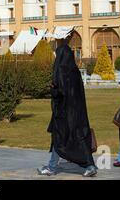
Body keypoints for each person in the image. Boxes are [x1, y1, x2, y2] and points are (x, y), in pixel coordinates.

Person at [37, 44, 97, 177]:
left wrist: (53, 90)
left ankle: (51, 168)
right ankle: (90, 165)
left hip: (64, 113)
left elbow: (62, 92)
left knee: (59, 139)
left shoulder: (61, 72)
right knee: (77, 139)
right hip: (78, 112)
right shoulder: (74, 71)